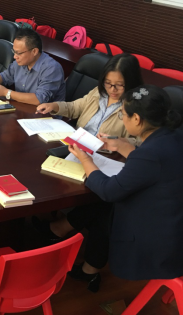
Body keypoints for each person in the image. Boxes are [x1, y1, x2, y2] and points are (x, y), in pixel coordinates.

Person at [46, 85, 183, 292]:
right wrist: (124, 146)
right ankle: (82, 257)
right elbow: (152, 167)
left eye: (123, 115)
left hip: (159, 238)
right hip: (172, 217)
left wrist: (85, 158)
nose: (122, 119)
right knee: (103, 202)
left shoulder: (151, 153)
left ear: (136, 119)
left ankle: (82, 257)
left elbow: (109, 190)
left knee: (106, 201)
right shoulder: (173, 136)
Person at [35, 54, 144, 137]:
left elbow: (140, 141)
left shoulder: (137, 106)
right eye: (108, 83)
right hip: (78, 143)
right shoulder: (98, 92)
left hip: (104, 154)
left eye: (119, 85)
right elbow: (75, 107)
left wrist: (118, 143)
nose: (112, 89)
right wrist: (54, 106)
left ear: (131, 82)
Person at [0, 29, 66, 105]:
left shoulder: (51, 68)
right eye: (14, 52)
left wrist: (7, 93)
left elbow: (39, 99)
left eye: (18, 53)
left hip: (45, 115)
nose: (15, 56)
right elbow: (4, 77)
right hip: (21, 108)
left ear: (34, 51)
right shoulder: (20, 62)